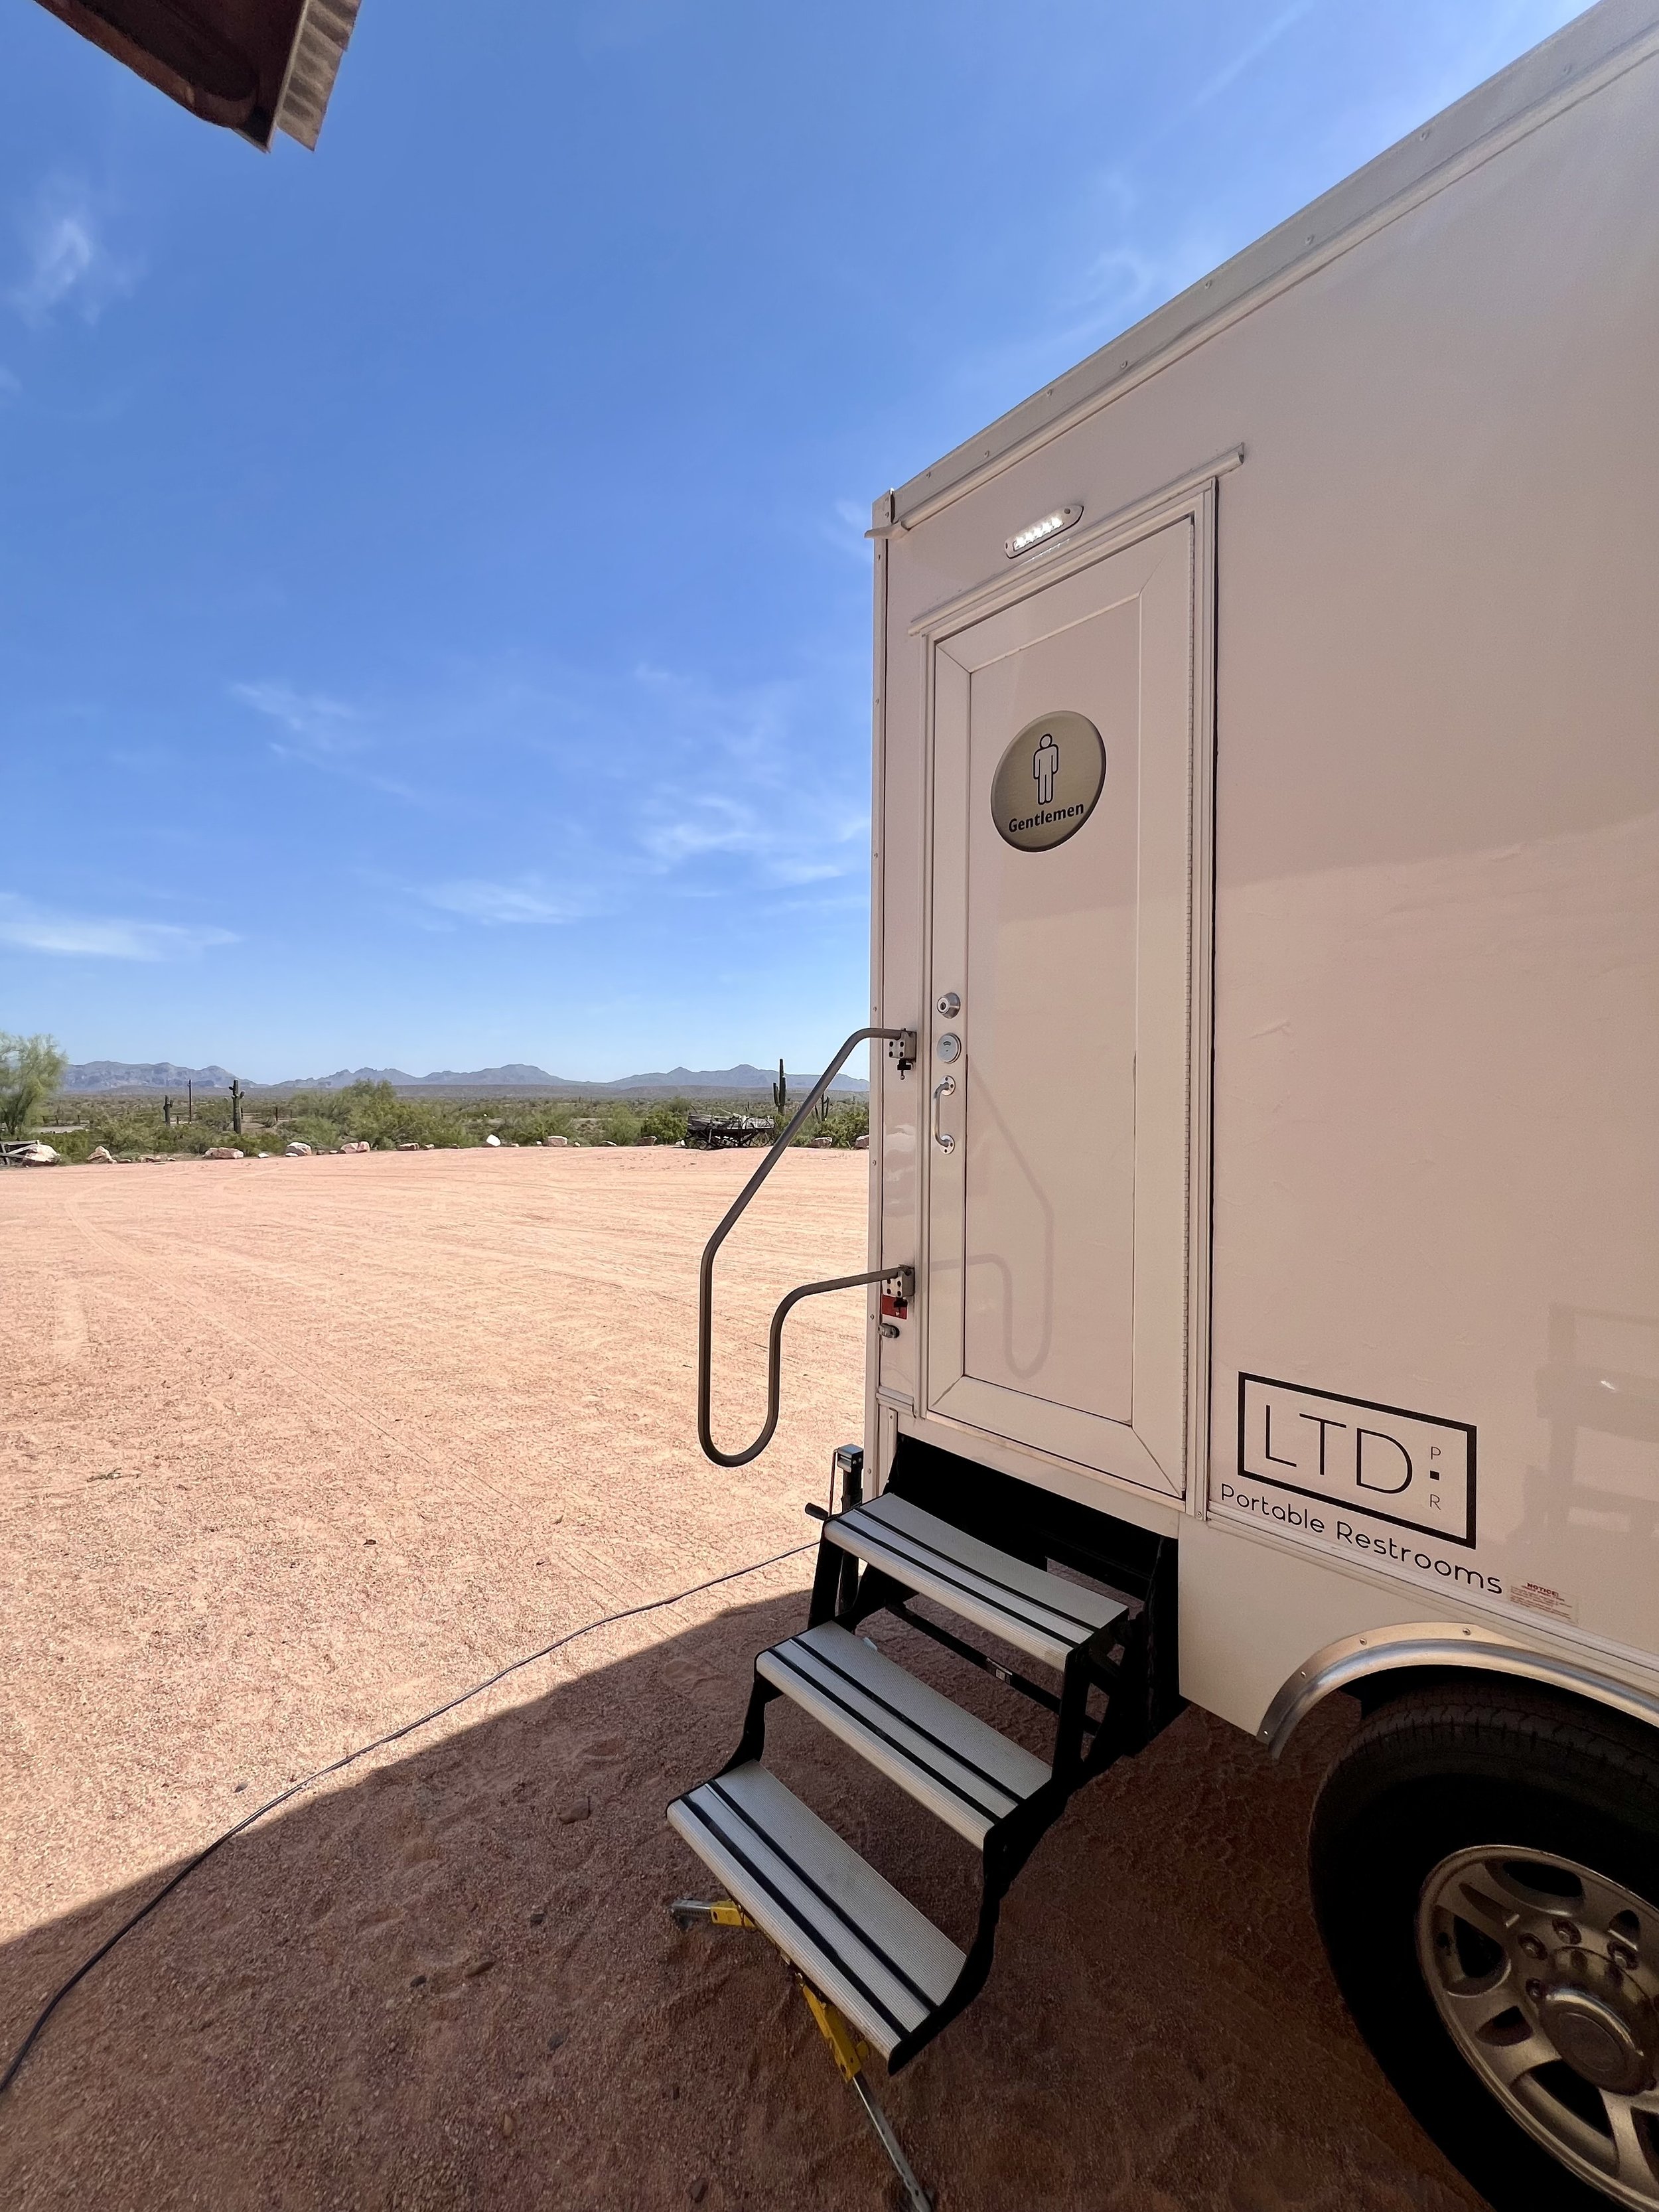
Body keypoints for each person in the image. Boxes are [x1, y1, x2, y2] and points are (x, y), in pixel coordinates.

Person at [1033, 729, 1060, 807]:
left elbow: (1054, 760)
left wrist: (1054, 769)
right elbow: (1036, 764)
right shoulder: (1038, 753)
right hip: (1042, 772)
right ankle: (1042, 799)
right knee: (1042, 785)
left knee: (1049, 783)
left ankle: (1048, 798)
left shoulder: (1053, 749)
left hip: (1049, 770)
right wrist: (1036, 775)